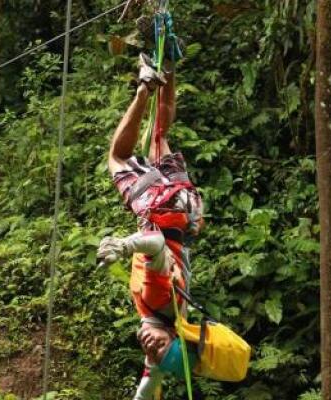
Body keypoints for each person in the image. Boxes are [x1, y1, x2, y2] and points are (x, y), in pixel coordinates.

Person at [97, 53, 204, 400]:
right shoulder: (159, 301)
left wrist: (152, 373)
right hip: (163, 212)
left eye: (153, 354)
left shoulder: (168, 324)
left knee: (158, 135)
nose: (151, 346)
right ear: (173, 337)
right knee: (118, 156)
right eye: (160, 347)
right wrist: (124, 245)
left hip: (184, 211)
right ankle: (145, 85)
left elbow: (148, 386)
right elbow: (155, 245)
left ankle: (168, 62)